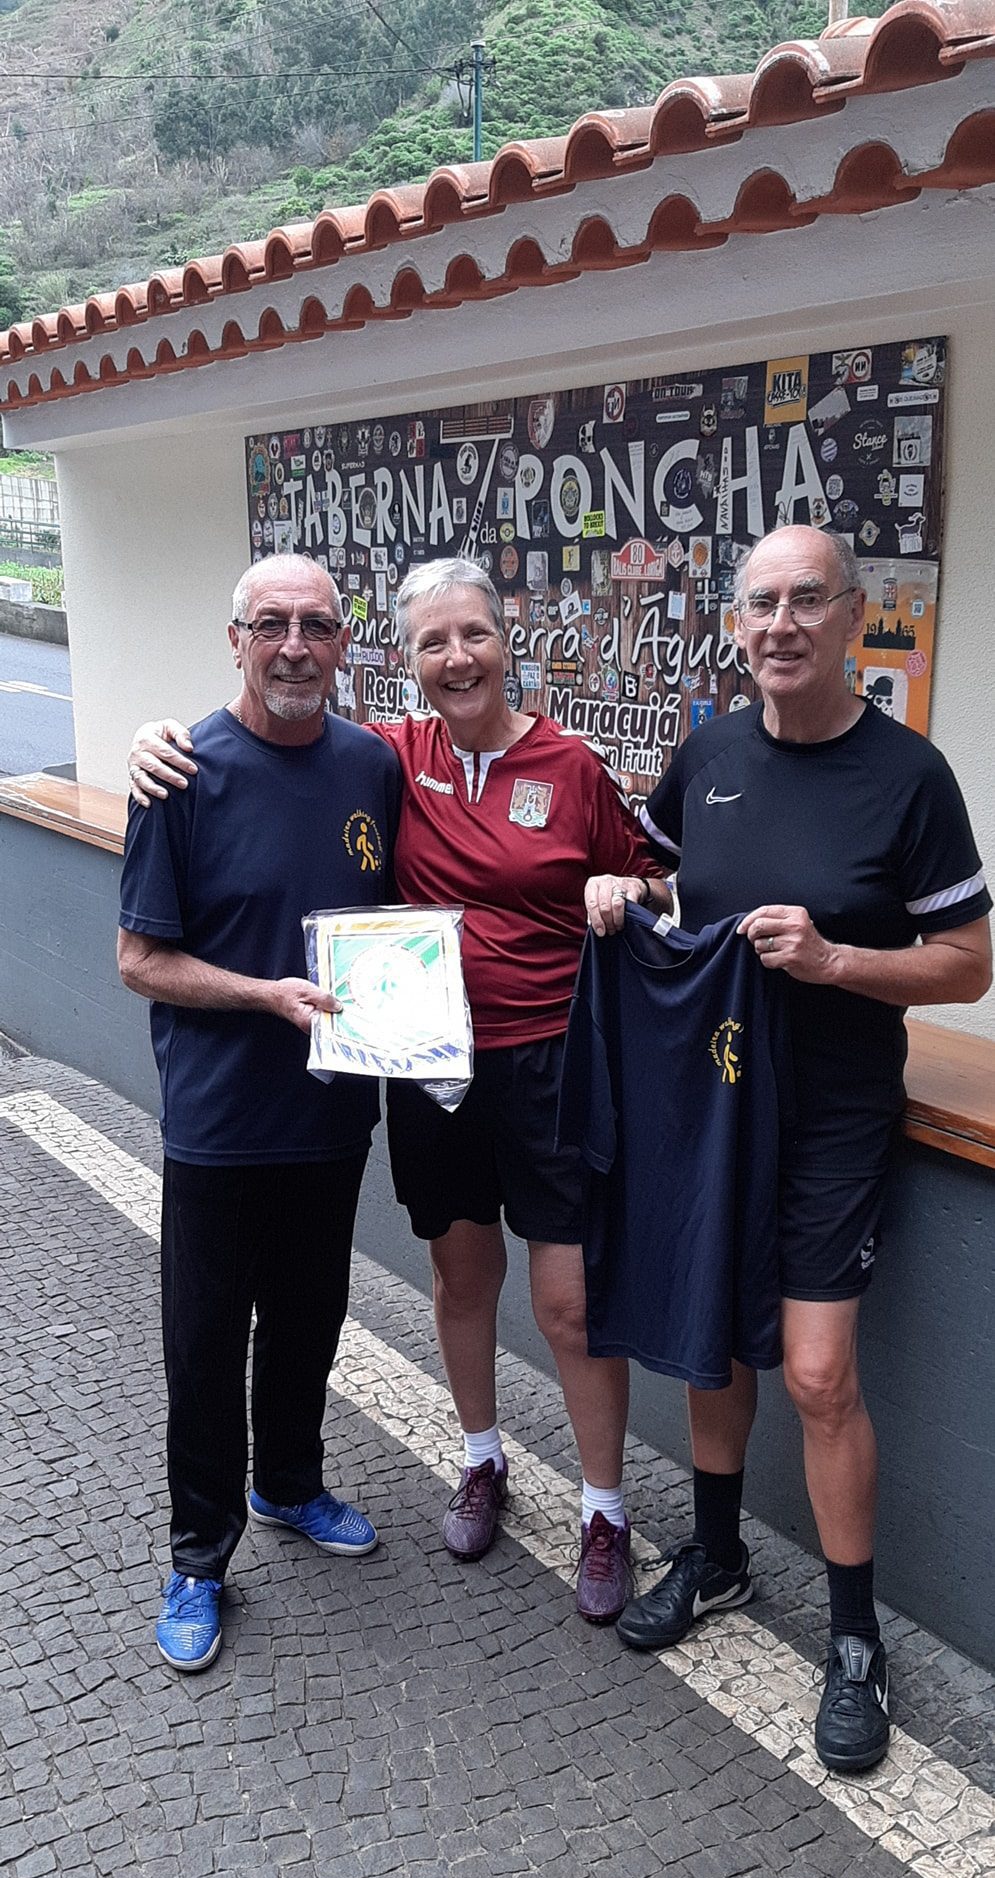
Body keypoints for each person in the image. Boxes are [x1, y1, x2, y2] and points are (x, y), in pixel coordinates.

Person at [127, 557, 658, 1625]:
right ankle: (238, 1543)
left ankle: (588, 1510)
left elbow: (652, 872)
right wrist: (151, 739)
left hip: (478, 1081)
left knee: (519, 1304)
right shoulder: (293, 764)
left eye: (472, 634)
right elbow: (142, 950)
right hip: (342, 1090)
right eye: (432, 641)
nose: (455, 657)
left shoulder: (478, 761)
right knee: (292, 1315)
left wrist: (629, 886)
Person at [585, 524, 991, 1772]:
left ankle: (853, 1639)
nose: (778, 625)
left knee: (817, 1374)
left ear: (853, 614)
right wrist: (618, 893)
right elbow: (653, 872)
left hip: (829, 1116)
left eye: (804, 600)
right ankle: (714, 1560)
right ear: (734, 624)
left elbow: (967, 961)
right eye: (757, 603)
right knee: (709, 1336)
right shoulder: (705, 752)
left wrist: (831, 960)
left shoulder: (907, 775)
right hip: (708, 1106)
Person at [118, 555, 401, 1673]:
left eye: (316, 624)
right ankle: (198, 1554)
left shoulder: (371, 763)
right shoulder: (178, 772)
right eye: (270, 623)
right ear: (234, 637)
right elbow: (140, 959)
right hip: (220, 1120)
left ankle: (287, 1481)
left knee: (309, 1317)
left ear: (344, 642)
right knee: (201, 1341)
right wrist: (260, 996)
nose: (294, 643)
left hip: (331, 1114)